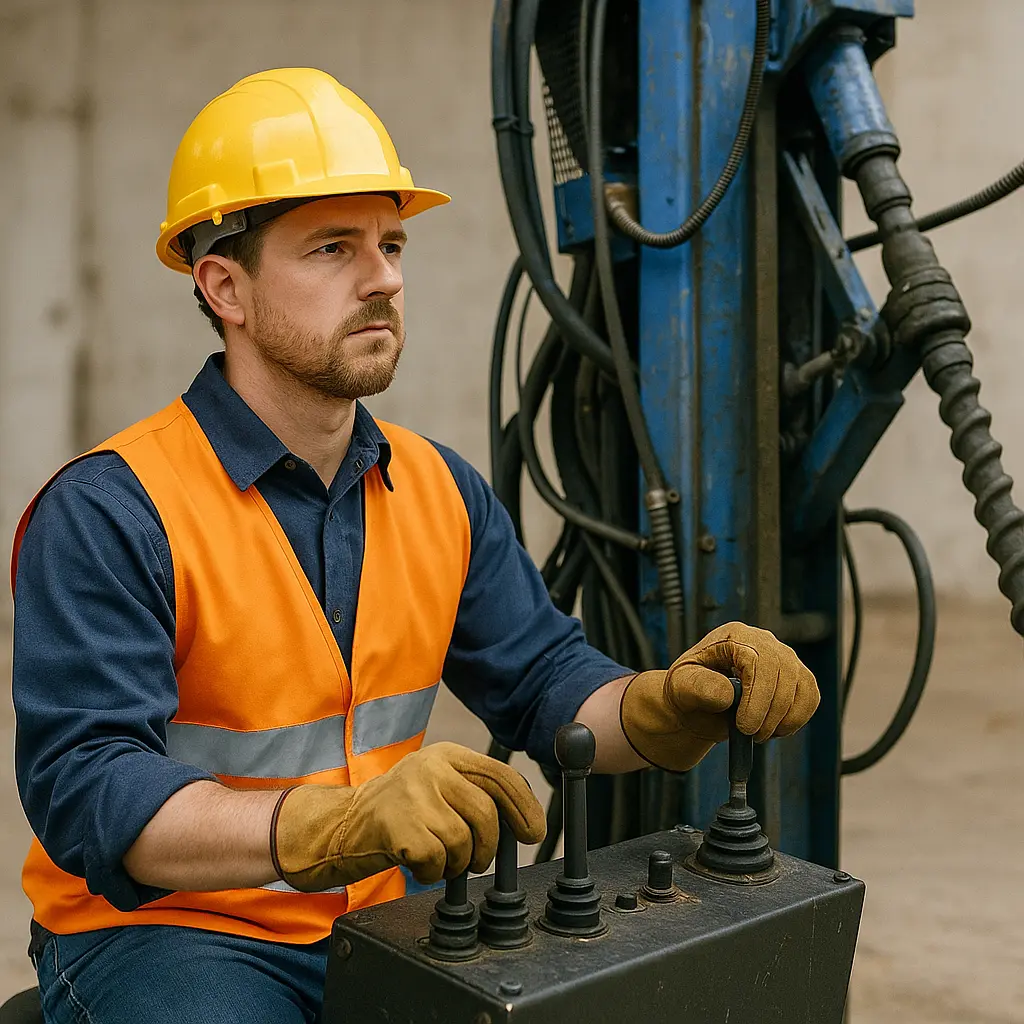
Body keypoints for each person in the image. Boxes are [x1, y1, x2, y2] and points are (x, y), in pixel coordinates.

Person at [11, 68, 819, 1024]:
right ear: (223, 284)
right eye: (332, 247)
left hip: (381, 915)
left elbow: (545, 682)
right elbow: (92, 787)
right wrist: (338, 822)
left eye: (391, 243)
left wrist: (664, 707)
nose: (384, 277)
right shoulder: (113, 509)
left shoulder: (438, 488)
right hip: (174, 935)